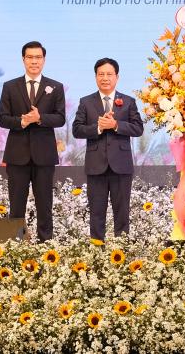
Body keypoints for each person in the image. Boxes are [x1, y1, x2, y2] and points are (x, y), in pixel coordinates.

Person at [0, 41, 65, 241]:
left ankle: (46, 246)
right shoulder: (10, 86)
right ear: (23, 59)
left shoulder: (56, 86)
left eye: (38, 57)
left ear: (43, 60)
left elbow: (60, 118)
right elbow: (2, 118)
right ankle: (16, 245)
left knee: (45, 205)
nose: (34, 61)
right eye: (30, 57)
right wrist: (22, 121)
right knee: (16, 206)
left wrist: (40, 118)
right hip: (17, 156)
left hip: (44, 156)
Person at [72, 57, 144, 240]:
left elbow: (138, 128)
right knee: (96, 213)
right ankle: (97, 253)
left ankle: (122, 251)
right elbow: (77, 130)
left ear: (117, 77)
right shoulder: (86, 102)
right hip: (96, 167)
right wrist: (98, 128)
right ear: (96, 77)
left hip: (121, 166)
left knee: (122, 213)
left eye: (109, 74)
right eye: (101, 74)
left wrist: (115, 124)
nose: (105, 78)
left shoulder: (128, 101)